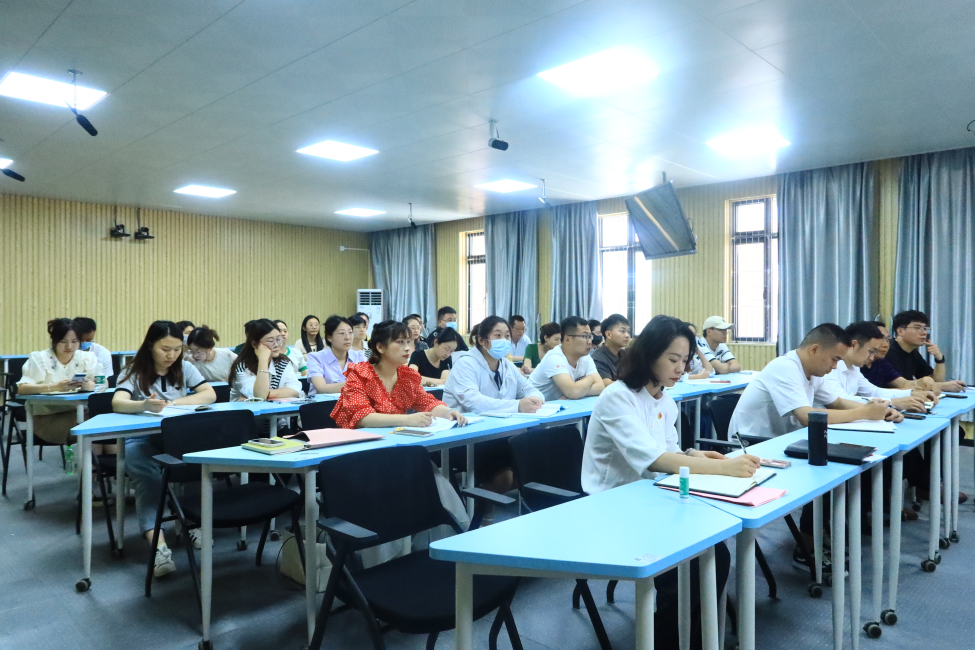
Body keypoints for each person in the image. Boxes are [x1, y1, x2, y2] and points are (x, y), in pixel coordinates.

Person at [582, 315, 755, 648]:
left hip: (651, 496)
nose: (681, 368)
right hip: (612, 506)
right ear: (649, 356)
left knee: (714, 554)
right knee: (689, 565)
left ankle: (697, 638)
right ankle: (670, 641)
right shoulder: (618, 397)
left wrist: (694, 455)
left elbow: (669, 452)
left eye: (685, 360)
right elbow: (656, 460)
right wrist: (725, 469)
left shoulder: (664, 399)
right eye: (673, 359)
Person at [728, 323, 902, 565]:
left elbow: (837, 402)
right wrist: (865, 412)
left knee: (845, 463)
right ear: (815, 349)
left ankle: (822, 532)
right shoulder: (785, 368)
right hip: (755, 447)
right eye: (834, 359)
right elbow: (807, 417)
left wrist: (880, 411)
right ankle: (808, 543)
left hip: (786, 442)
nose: (835, 367)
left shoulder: (813, 371)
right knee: (827, 470)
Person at [331, 320, 470, 526]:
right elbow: (362, 418)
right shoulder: (360, 374)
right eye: (400, 342)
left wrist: (448, 412)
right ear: (380, 347)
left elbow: (428, 402)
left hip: (394, 447)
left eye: (408, 342)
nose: (407, 348)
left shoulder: (407, 375)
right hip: (360, 453)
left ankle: (441, 530)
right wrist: (408, 419)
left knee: (427, 473)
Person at [111, 321, 216, 577]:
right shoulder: (133, 370)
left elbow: (209, 394)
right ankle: (159, 547)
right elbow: (117, 402)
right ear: (150, 345)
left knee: (196, 462)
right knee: (147, 476)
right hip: (141, 438)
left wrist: (173, 403)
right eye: (165, 349)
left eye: (177, 349)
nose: (172, 355)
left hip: (176, 437)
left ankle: (194, 523)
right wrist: (143, 405)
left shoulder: (185, 367)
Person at [444, 315, 545, 494]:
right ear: (482, 340)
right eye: (497, 336)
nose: (504, 341)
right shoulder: (465, 364)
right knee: (504, 475)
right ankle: (482, 506)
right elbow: (475, 402)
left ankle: (489, 496)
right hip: (465, 439)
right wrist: (517, 406)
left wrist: (536, 399)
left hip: (498, 433)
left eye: (507, 336)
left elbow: (530, 388)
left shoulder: (506, 365)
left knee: (536, 462)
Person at [17, 318, 97, 444]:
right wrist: (56, 387)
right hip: (47, 419)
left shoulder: (86, 357)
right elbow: (22, 389)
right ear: (54, 341)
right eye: (63, 341)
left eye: (74, 341)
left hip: (79, 412)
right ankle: (96, 456)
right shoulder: (40, 358)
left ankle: (101, 456)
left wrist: (92, 385)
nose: (69, 346)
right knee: (94, 429)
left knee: (101, 426)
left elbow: (103, 382)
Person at [823, 321, 932, 411]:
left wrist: (911, 393)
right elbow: (841, 400)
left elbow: (873, 391)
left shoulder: (853, 367)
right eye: (871, 351)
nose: (872, 358)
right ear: (854, 345)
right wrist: (892, 403)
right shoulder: (831, 367)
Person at [885, 310, 965, 393]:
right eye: (917, 328)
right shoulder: (888, 352)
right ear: (900, 331)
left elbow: (935, 380)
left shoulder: (913, 352)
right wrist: (943, 386)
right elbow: (901, 386)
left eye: (925, 328)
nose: (924, 333)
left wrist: (939, 359)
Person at [529, 316, 605, 401]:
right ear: (567, 339)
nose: (589, 341)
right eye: (585, 336)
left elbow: (600, 387)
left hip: (562, 406)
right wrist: (590, 378)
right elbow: (573, 392)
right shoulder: (554, 357)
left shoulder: (585, 357)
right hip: (534, 406)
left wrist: (576, 391)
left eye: (590, 336)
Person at [229, 319, 302, 401]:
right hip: (244, 409)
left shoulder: (283, 361)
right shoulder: (243, 366)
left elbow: (295, 389)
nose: (276, 345)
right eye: (270, 341)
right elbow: (259, 396)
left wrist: (267, 394)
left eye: (278, 339)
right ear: (254, 344)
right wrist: (263, 359)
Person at [861, 321, 940, 396]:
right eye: (880, 339)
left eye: (887, 339)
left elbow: (903, 384)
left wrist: (922, 381)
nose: (885, 345)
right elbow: (869, 393)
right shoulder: (857, 365)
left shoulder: (881, 362)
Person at [306, 315, 366, 396]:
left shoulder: (359, 357)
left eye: (350, 332)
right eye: (342, 333)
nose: (348, 337)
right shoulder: (316, 358)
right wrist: (355, 384)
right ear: (329, 337)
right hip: (325, 403)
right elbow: (321, 388)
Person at [591, 314, 631, 385]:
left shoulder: (625, 354)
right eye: (622, 331)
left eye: (628, 331)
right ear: (608, 334)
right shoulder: (598, 358)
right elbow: (607, 384)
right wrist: (634, 384)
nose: (627, 335)